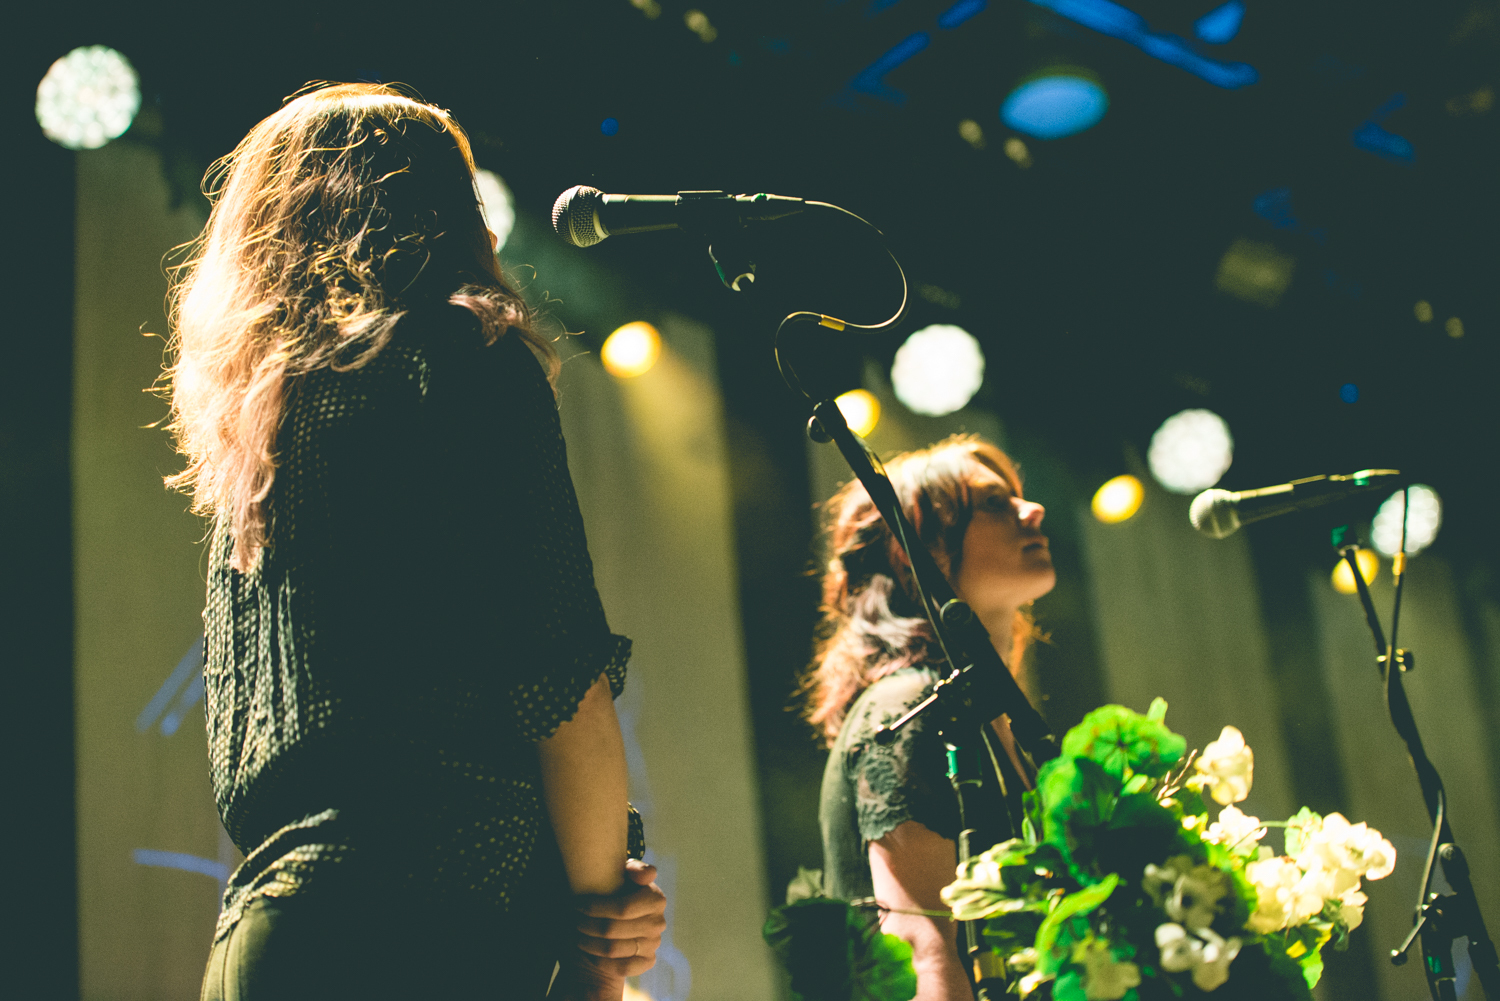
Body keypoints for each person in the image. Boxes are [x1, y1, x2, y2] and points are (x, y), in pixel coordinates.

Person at [162, 82, 664, 1000]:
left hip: (267, 939)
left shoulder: (260, 438)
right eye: (470, 201)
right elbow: (559, 677)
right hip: (431, 925)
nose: (495, 234)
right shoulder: (463, 355)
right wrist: (602, 923)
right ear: (435, 214)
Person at [802, 435, 1057, 1001]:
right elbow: (928, 957)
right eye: (994, 503)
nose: (1033, 509)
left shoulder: (985, 716)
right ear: (921, 548)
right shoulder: (911, 708)